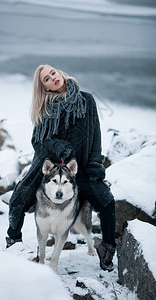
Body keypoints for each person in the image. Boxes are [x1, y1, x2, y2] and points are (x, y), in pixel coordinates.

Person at [6, 65, 116, 272]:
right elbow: (37, 143)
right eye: (46, 79)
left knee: (107, 202)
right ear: (45, 88)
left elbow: (96, 136)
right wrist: (55, 146)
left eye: (53, 73)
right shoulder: (45, 109)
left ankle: (107, 247)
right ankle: (14, 242)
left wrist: (95, 164)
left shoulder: (87, 100)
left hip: (81, 168)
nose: (53, 78)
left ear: (60, 73)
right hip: (50, 169)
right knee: (19, 198)